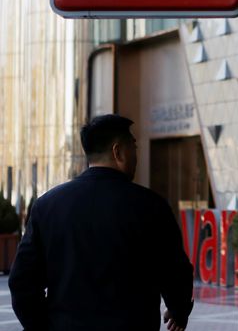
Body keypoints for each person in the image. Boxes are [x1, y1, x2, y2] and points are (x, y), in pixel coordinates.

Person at [9, 114, 194, 331]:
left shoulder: (47, 206)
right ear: (118, 152)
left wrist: (42, 326)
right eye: (133, 146)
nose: (136, 154)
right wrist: (178, 309)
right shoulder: (151, 206)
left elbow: (22, 282)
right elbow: (175, 270)